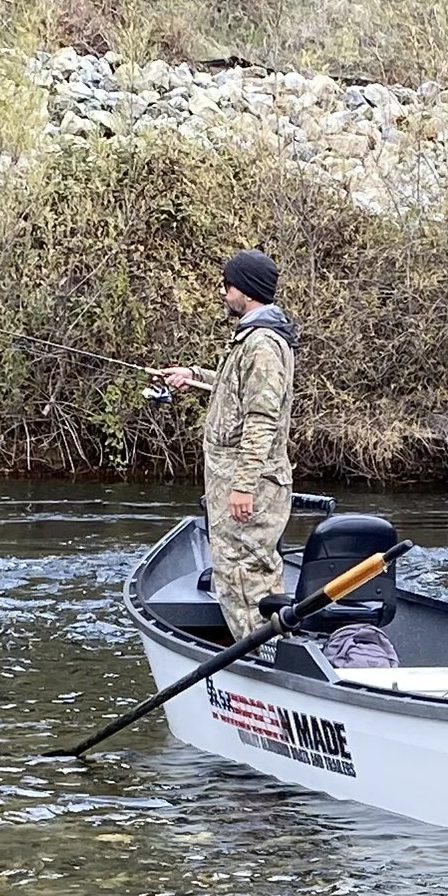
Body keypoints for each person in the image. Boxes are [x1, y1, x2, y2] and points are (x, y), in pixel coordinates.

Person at [154, 250, 299, 640]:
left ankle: (264, 661)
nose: (224, 293)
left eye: (228, 285)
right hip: (238, 482)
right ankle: (258, 655)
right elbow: (236, 389)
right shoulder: (252, 341)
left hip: (250, 485)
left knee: (247, 574)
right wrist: (191, 375)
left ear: (246, 291)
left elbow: (262, 418)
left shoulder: (263, 345)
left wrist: (243, 485)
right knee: (237, 573)